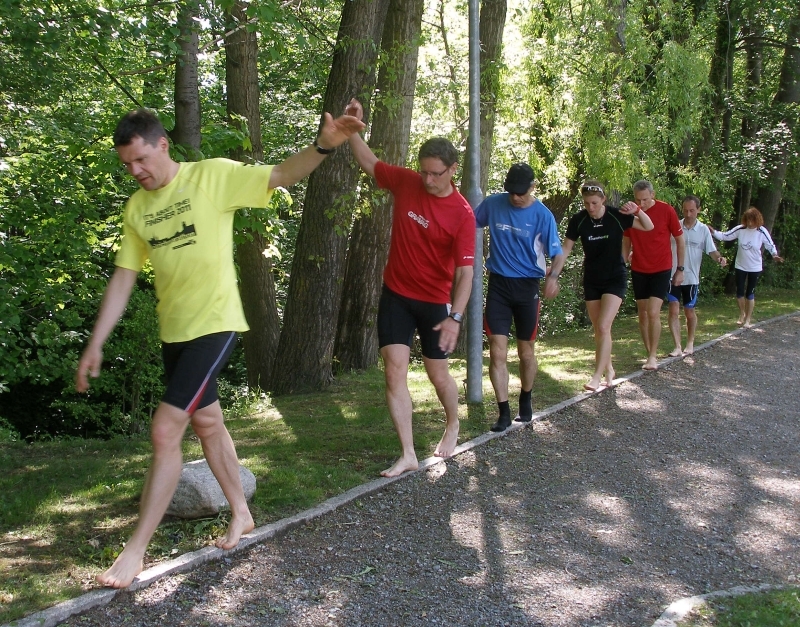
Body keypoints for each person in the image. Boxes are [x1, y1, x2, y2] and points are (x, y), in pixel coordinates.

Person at [75, 107, 365, 588]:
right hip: (176, 334)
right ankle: (241, 512)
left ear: (163, 145)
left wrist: (325, 143)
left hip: (216, 325)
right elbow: (124, 278)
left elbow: (279, 175)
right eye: (127, 165)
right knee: (208, 424)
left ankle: (135, 551)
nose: (136, 171)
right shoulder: (136, 209)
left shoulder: (211, 176)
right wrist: (96, 342)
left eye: (142, 159)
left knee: (166, 430)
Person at [345, 98, 475, 478]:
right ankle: (408, 453)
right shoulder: (406, 181)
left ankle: (452, 423)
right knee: (393, 370)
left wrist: (455, 316)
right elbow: (370, 163)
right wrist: (353, 131)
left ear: (452, 170)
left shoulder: (463, 215)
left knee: (438, 376)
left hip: (435, 303)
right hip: (397, 295)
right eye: (425, 172)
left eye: (436, 173)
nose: (428, 180)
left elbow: (466, 274)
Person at [474, 164, 564, 432]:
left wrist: (553, 277)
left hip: (527, 288)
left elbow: (557, 254)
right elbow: (468, 222)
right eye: (511, 192)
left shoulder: (542, 216)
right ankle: (503, 411)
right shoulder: (493, 204)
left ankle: (526, 398)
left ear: (532, 188)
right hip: (499, 286)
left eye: (520, 193)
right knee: (496, 349)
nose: (515, 197)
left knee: (526, 352)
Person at [561, 181, 653, 391]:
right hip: (592, 279)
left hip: (615, 277)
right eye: (586, 203)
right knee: (600, 329)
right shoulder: (579, 220)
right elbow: (566, 248)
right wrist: (555, 270)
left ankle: (596, 376)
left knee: (603, 326)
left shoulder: (616, 215)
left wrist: (637, 210)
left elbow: (649, 226)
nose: (590, 207)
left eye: (594, 203)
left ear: (603, 200)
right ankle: (609, 369)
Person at [622, 180, 685, 370]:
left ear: (653, 194)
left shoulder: (667, 211)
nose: (641, 204)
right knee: (642, 314)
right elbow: (626, 241)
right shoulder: (630, 213)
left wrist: (680, 269)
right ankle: (650, 352)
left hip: (661, 267)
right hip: (639, 268)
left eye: (646, 199)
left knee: (653, 312)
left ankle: (652, 356)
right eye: (638, 200)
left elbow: (680, 241)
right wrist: (622, 263)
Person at [667, 195, 727, 356]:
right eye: (685, 210)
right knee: (673, 310)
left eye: (692, 210)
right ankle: (677, 346)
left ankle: (690, 342)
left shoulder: (703, 230)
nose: (688, 214)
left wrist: (720, 258)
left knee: (689, 311)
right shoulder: (674, 226)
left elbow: (712, 251)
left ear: (698, 210)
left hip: (692, 278)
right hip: (672, 276)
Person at [710, 206, 783, 328]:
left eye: (752, 220)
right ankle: (741, 314)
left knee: (750, 293)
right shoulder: (741, 229)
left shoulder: (761, 231)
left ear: (757, 220)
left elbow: (770, 245)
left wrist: (775, 255)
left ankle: (748, 319)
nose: (749, 223)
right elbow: (725, 236)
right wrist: (712, 231)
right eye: (748, 220)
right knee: (739, 292)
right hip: (740, 266)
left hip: (754, 267)